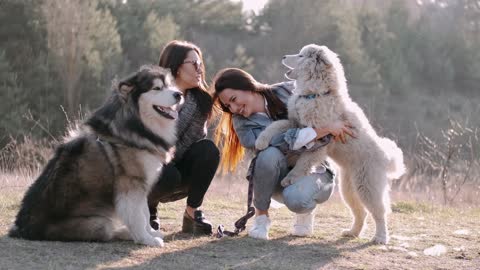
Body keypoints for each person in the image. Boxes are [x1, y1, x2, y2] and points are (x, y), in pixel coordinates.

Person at [212, 68, 354, 240]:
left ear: (247, 86)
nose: (234, 108)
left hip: (315, 169)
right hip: (277, 179)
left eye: (233, 100)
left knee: (297, 199)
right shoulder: (241, 122)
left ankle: (305, 212)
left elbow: (326, 118)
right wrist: (322, 130)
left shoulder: (289, 90)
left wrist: (334, 125)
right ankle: (261, 219)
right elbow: (273, 143)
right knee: (267, 153)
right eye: (228, 106)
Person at [148, 40, 220, 235]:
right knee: (166, 173)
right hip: (146, 169)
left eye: (201, 64)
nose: (200, 70)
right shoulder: (151, 96)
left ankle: (192, 213)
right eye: (194, 64)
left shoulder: (200, 102)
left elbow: (192, 144)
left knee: (208, 150)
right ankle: (147, 210)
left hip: (176, 166)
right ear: (177, 67)